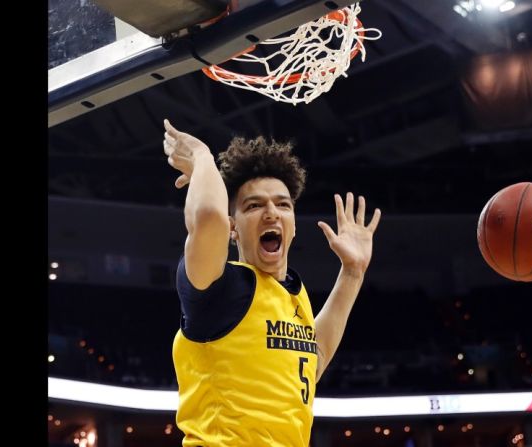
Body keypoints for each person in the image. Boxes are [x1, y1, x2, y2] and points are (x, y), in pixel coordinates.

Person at [162, 119, 381, 446]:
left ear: (293, 225)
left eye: (283, 204)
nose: (271, 213)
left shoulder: (294, 295)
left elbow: (311, 360)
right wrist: (201, 156)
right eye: (254, 205)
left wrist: (352, 273)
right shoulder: (221, 287)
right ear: (232, 226)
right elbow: (208, 216)